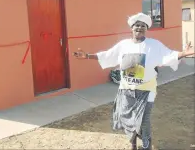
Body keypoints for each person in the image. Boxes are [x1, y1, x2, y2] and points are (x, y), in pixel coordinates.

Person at [73, 12, 194, 150]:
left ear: (146, 29)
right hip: (126, 90)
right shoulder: (123, 45)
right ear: (132, 27)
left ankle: (146, 145)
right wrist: (87, 56)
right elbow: (108, 55)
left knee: (143, 120)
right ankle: (133, 144)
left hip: (146, 90)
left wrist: (184, 53)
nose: (139, 28)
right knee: (128, 120)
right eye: (137, 25)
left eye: (143, 26)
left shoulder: (154, 45)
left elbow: (168, 55)